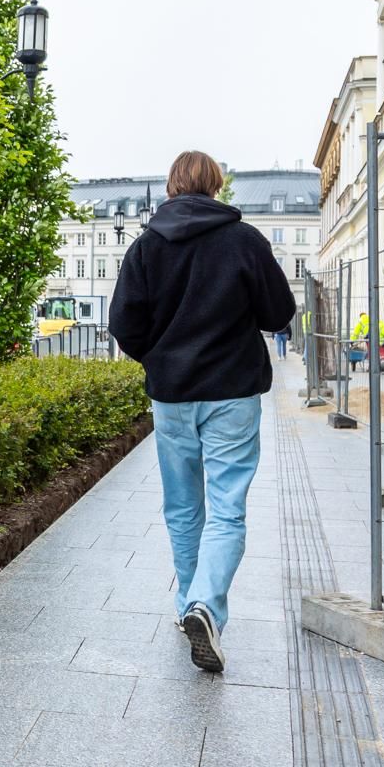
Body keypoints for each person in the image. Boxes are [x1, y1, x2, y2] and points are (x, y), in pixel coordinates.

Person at [107, 150, 296, 674]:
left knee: (183, 507)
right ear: (217, 186)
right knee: (228, 506)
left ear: (171, 186)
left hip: (172, 396)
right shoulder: (245, 241)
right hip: (232, 392)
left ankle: (188, 601)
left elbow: (123, 322)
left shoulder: (146, 247)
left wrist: (161, 356)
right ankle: (205, 606)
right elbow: (280, 313)